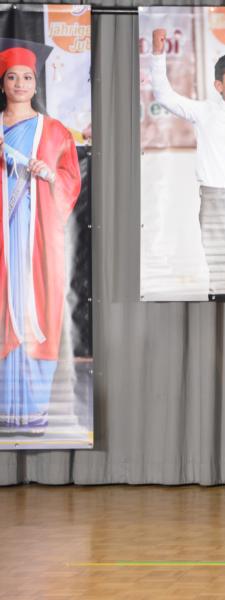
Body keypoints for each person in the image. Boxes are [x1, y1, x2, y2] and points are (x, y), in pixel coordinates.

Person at [151, 28, 225, 299]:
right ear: (219, 85)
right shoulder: (205, 111)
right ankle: (219, 309)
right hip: (216, 198)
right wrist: (158, 55)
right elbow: (165, 96)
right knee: (221, 270)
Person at [0, 47, 81, 429]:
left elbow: (69, 179)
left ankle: (32, 409)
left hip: (38, 236)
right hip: (3, 235)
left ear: (36, 84)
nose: (20, 84)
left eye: (27, 77)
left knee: (38, 308)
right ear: (2, 83)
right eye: (12, 77)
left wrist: (47, 173)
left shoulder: (54, 130)